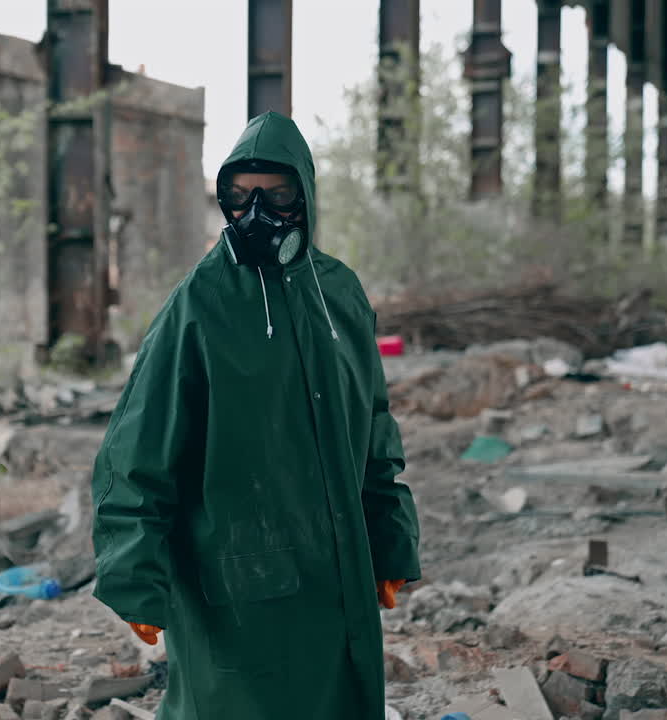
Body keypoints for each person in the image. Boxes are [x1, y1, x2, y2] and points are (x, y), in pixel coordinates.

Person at [90, 111, 421, 719]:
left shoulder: (339, 294)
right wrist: (133, 576)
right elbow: (138, 452)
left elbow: (374, 429)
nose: (257, 212)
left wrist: (390, 538)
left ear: (306, 195)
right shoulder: (199, 304)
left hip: (335, 573)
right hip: (235, 583)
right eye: (241, 197)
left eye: (277, 194)